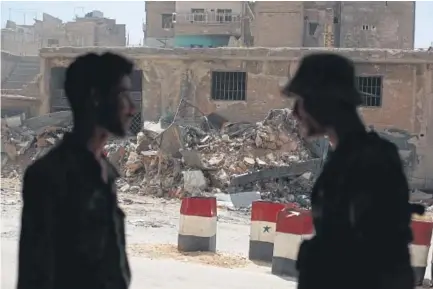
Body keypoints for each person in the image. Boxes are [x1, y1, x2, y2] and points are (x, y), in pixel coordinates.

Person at [281, 53, 423, 289]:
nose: (295, 112)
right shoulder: (348, 158)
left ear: (322, 100)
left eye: (301, 100)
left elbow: (378, 261)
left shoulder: (369, 162)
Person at [17, 52, 136, 289]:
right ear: (96, 98)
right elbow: (34, 277)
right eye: (123, 94)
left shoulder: (106, 173)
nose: (132, 108)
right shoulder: (50, 176)